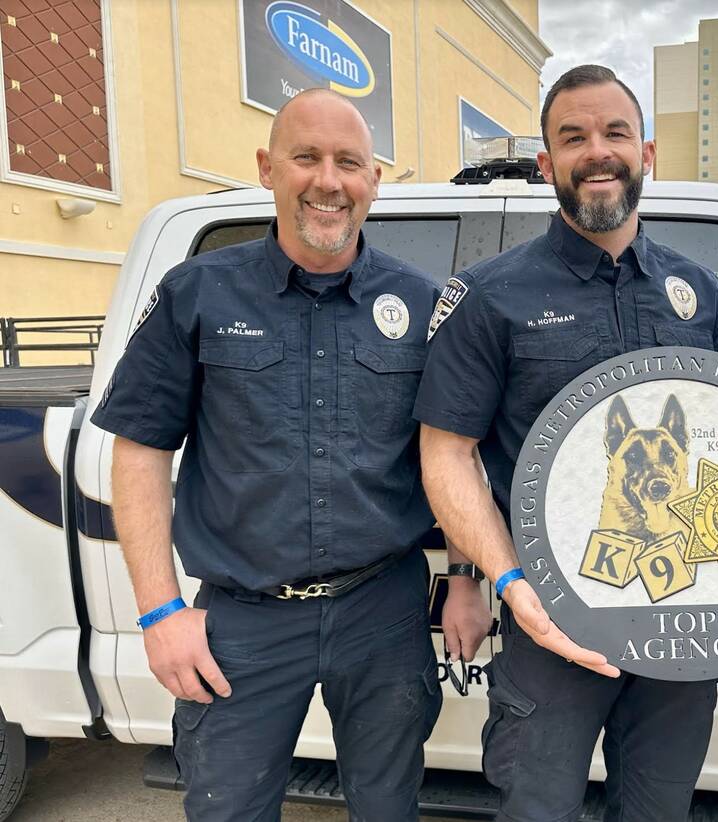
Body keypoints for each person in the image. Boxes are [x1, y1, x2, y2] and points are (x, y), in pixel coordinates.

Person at [415, 64, 718, 822]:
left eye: (615, 133)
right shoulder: (492, 296)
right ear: (548, 164)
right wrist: (509, 586)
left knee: (657, 809)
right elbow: (447, 452)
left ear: (646, 152)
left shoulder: (697, 290)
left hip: (682, 614)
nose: (598, 152)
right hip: (552, 621)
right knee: (536, 810)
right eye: (574, 137)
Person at [90, 88, 492, 821]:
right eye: (306, 157)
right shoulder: (198, 292)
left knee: (389, 807)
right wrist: (158, 613)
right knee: (228, 809)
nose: (327, 181)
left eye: (348, 162)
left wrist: (464, 576)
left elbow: (452, 458)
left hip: (385, 611)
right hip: (243, 620)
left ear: (374, 180)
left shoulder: (423, 304)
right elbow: (140, 451)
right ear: (267, 168)